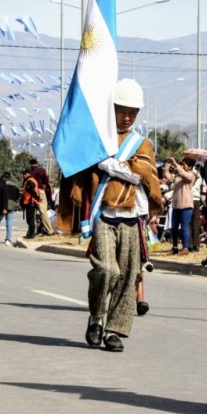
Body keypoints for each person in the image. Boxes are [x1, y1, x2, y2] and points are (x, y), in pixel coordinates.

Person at [77, 78, 163, 352]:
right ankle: (97, 317)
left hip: (132, 216)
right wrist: (112, 163)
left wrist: (107, 163)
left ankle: (114, 330)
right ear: (111, 110)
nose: (126, 117)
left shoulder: (142, 143)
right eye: (121, 111)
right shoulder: (99, 138)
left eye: (132, 113)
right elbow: (83, 165)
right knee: (106, 269)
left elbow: (141, 173)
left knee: (128, 276)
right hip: (104, 213)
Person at [163, 157, 196, 256]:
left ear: (190, 167)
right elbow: (168, 177)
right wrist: (167, 166)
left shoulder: (191, 175)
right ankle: (175, 247)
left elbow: (185, 175)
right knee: (174, 228)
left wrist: (176, 164)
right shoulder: (178, 175)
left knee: (185, 227)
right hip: (176, 205)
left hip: (186, 206)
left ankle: (185, 247)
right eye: (182, 164)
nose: (182, 166)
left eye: (184, 164)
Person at [29, 158, 54, 235]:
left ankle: (33, 231)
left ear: (30, 164)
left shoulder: (29, 172)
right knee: (43, 212)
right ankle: (49, 230)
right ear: (37, 163)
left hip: (31, 192)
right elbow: (46, 181)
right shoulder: (42, 170)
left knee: (31, 212)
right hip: (40, 191)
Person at [21, 167, 41, 239]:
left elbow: (32, 191)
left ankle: (31, 234)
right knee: (30, 219)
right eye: (23, 173)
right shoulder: (29, 180)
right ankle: (30, 233)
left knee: (30, 219)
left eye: (24, 173)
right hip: (30, 202)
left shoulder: (30, 181)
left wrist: (37, 198)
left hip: (31, 202)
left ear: (28, 173)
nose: (23, 175)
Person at [1, 171, 21, 246]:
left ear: (3, 177)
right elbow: (18, 196)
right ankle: (8, 239)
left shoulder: (1, 184)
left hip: (2, 205)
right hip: (12, 205)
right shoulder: (14, 185)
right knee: (9, 223)